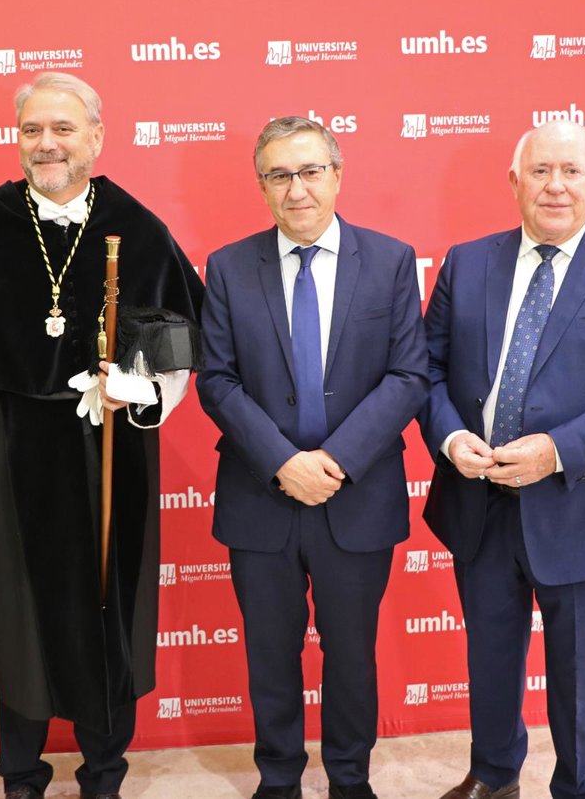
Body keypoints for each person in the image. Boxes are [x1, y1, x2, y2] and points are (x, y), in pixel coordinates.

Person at [0, 72, 203, 799]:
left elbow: (180, 352)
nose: (48, 144)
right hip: (12, 451)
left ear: (95, 137)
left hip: (113, 450)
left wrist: (138, 391)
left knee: (110, 611)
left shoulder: (138, 229)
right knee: (20, 620)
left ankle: (104, 773)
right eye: (33, 130)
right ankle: (21, 775)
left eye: (64, 129)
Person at [418, 120, 585, 799]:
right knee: (490, 656)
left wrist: (556, 452)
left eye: (571, 171)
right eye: (540, 171)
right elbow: (427, 369)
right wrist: (451, 439)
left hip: (580, 505)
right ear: (515, 182)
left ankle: (583, 787)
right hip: (479, 501)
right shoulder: (466, 263)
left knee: (579, 672)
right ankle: (494, 775)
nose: (555, 186)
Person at [196, 116, 429, 799]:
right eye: (279, 175)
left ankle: (350, 781)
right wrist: (282, 461)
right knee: (270, 656)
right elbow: (217, 380)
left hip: (356, 496)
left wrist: (336, 460)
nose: (296, 189)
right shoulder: (228, 267)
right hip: (260, 495)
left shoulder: (389, 260)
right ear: (261, 185)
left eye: (309, 171)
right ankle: (278, 781)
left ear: (337, 174)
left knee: (352, 654)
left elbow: (408, 376)